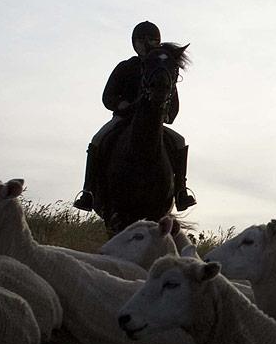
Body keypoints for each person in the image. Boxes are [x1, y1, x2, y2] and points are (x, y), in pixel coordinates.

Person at [72, 21, 196, 212]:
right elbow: (108, 96)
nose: (145, 44)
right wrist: (121, 105)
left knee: (179, 141)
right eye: (141, 40)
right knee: (97, 140)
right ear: (134, 43)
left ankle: (181, 191)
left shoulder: (162, 68)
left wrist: (165, 115)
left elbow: (173, 102)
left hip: (153, 121)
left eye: (152, 40)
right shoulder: (126, 67)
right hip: (123, 119)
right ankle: (88, 191)